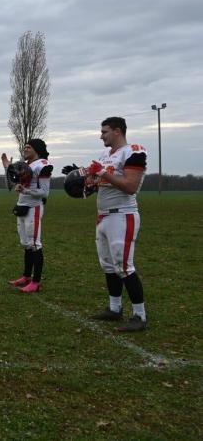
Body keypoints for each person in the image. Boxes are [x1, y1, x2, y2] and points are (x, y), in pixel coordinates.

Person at [67, 117, 148, 331]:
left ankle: (140, 316)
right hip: (103, 215)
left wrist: (103, 173)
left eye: (104, 131)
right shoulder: (105, 155)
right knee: (108, 264)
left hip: (123, 214)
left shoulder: (133, 151)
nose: (101, 135)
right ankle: (115, 308)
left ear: (117, 132)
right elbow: (97, 184)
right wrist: (82, 178)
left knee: (124, 265)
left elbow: (131, 186)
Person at [1, 139, 52, 293]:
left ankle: (36, 282)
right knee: (25, 243)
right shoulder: (26, 165)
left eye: (28, 147)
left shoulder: (43, 165)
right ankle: (26, 276)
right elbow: (13, 181)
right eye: (25, 146)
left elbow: (44, 192)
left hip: (34, 207)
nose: (25, 149)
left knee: (35, 244)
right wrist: (7, 168)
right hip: (22, 206)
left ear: (36, 149)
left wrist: (25, 190)